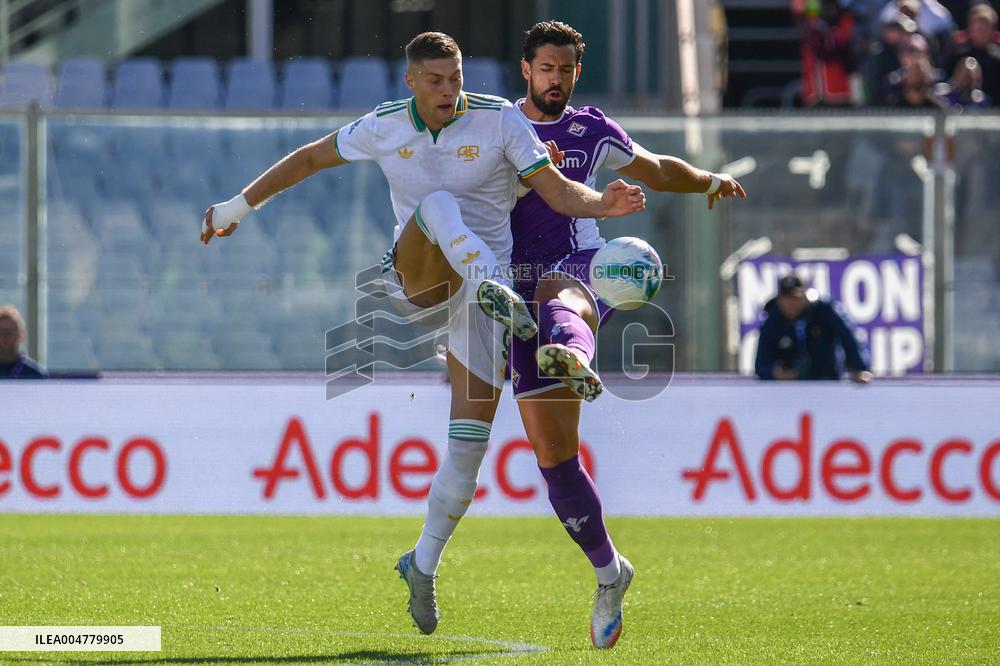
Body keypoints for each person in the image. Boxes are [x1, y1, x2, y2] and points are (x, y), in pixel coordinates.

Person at [199, 31, 645, 637]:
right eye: (435, 81)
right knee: (435, 204)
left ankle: (424, 563)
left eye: (456, 78)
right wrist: (234, 208)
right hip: (426, 281)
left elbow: (556, 191)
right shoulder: (384, 125)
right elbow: (307, 159)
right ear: (411, 82)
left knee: (472, 449)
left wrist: (602, 205)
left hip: (487, 311)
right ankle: (490, 279)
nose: (449, 91)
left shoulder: (499, 122)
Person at [504, 21, 745, 649]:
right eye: (545, 68)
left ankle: (574, 355)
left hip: (585, 267)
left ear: (575, 74)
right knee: (556, 461)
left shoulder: (590, 130)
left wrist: (709, 180)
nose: (555, 78)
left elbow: (658, 168)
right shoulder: (498, 125)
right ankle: (611, 573)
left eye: (565, 69)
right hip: (513, 287)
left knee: (562, 297)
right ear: (525, 70)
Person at [755, 275, 872, 382]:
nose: (791, 304)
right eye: (786, 299)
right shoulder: (772, 320)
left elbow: (848, 338)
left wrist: (860, 368)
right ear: (779, 300)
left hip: (827, 382)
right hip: (788, 388)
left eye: (796, 298)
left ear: (806, 297)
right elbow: (761, 364)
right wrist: (774, 373)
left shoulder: (824, 311)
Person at [943, 3, 1000, 104]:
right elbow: (946, 83)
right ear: (970, 27)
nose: (981, 29)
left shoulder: (997, 59)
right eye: (978, 25)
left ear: (993, 29)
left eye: (985, 25)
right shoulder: (957, 55)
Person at [0, 305, 47, 379]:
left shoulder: (35, 375)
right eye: (1, 332)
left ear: (21, 335)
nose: (4, 337)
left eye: (9, 332)